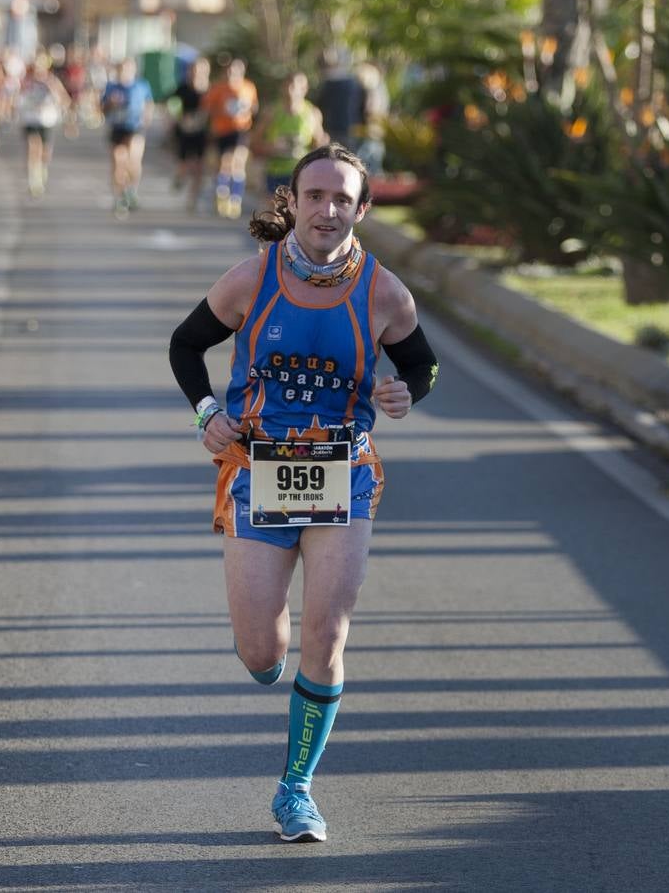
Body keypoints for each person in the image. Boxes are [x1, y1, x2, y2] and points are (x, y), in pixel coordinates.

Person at [167, 143, 439, 843]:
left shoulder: (383, 291)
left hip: (342, 471)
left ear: (362, 209)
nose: (327, 210)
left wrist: (404, 391)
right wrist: (205, 413)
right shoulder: (250, 279)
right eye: (314, 196)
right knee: (261, 652)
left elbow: (421, 363)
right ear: (293, 200)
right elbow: (185, 345)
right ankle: (274, 660)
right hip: (257, 468)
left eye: (342, 199)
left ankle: (296, 790)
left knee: (329, 633)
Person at [201, 58, 259, 219]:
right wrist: (222, 112)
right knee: (224, 164)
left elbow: (255, 107)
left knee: (238, 161)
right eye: (230, 70)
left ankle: (235, 200)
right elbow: (207, 108)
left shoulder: (248, 87)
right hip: (222, 130)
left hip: (241, 129)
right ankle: (222, 194)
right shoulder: (219, 88)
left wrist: (246, 108)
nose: (233, 73)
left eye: (237, 70)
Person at [252, 72, 327, 194]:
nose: (292, 90)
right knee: (277, 212)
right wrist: (270, 148)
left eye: (298, 86)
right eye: (290, 85)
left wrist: (322, 143)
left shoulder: (312, 113)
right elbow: (254, 143)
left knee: (298, 212)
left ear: (305, 89)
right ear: (283, 87)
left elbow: (318, 145)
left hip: (302, 174)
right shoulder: (271, 112)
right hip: (276, 172)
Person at [100, 57, 154, 217]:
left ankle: (132, 189)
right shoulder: (111, 87)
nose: (125, 72)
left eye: (128, 69)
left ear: (134, 70)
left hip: (135, 128)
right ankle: (119, 198)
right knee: (118, 163)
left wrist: (147, 118)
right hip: (117, 128)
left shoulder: (142, 85)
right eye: (122, 69)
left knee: (133, 161)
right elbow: (102, 109)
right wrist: (110, 103)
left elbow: (149, 103)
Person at [18, 53, 71, 198]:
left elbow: (65, 101)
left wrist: (53, 90)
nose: (38, 69)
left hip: (46, 120)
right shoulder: (27, 81)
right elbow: (18, 97)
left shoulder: (52, 81)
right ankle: (33, 181)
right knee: (33, 148)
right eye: (36, 66)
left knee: (45, 152)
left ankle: (42, 169)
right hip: (30, 119)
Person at [169, 57, 211, 213]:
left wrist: (205, 119)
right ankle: (179, 177)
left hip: (201, 134)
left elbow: (214, 110)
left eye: (200, 70)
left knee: (199, 167)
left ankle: (192, 199)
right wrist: (179, 119)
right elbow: (172, 105)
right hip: (184, 133)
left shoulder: (209, 90)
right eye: (194, 69)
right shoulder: (182, 89)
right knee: (184, 164)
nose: (196, 73)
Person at [312, 49, 367, 153]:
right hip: (347, 130)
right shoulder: (354, 83)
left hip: (336, 130)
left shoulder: (327, 84)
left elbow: (319, 106)